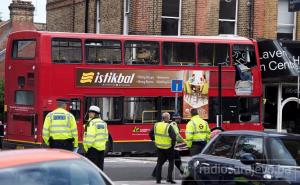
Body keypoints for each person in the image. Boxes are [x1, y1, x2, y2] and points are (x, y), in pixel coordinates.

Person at [149, 112, 177, 184]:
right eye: (169, 117)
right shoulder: (168, 126)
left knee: (159, 163)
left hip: (159, 147)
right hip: (168, 148)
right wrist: (172, 145)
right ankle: (169, 179)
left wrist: (154, 139)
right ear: (167, 118)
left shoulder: (156, 125)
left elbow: (150, 133)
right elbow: (174, 137)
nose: (169, 118)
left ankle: (158, 180)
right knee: (171, 162)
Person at [83, 105, 108, 170]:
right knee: (100, 169)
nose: (88, 113)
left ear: (94, 113)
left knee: (92, 169)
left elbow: (90, 137)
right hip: (101, 149)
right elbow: (106, 136)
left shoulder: (92, 123)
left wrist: (87, 148)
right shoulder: (103, 123)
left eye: (90, 112)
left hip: (92, 149)